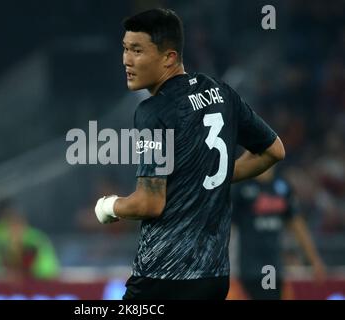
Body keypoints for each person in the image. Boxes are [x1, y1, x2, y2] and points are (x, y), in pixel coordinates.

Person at [94, 8, 285, 300]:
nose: (126, 60)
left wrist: (109, 207)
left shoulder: (153, 111)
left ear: (169, 57)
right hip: (214, 278)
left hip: (163, 277)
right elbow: (273, 150)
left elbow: (149, 202)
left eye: (137, 50)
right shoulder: (222, 93)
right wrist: (213, 174)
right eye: (125, 49)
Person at [232, 166, 327, 299]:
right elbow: (228, 227)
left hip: (272, 265)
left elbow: (297, 225)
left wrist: (314, 260)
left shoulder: (282, 187)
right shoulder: (242, 188)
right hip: (251, 266)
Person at [0, 198, 60, 281]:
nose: (14, 230)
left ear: (24, 224)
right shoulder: (3, 239)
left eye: (17, 225)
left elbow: (45, 269)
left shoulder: (33, 240)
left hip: (41, 280)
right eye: (10, 226)